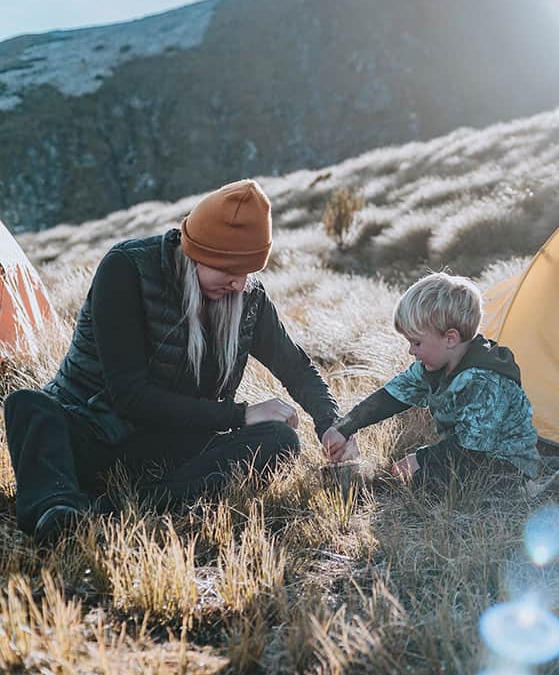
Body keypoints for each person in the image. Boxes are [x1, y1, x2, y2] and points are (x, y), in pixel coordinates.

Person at [4, 179, 350, 542]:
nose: (238, 283)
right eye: (228, 268)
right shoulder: (127, 269)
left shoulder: (249, 299)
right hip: (92, 433)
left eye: (248, 271)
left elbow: (297, 369)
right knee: (27, 406)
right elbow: (130, 396)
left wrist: (332, 424)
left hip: (173, 447)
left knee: (280, 440)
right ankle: (56, 511)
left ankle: (109, 512)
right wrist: (239, 415)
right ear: (197, 251)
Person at [324, 272, 540, 487]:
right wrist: (344, 427)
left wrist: (421, 459)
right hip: (464, 455)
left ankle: (525, 491)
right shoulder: (432, 368)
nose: (411, 351)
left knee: (425, 484)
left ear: (450, 339)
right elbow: (391, 396)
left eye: (416, 343)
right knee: (418, 479)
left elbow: (473, 449)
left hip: (505, 465)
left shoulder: (484, 380)